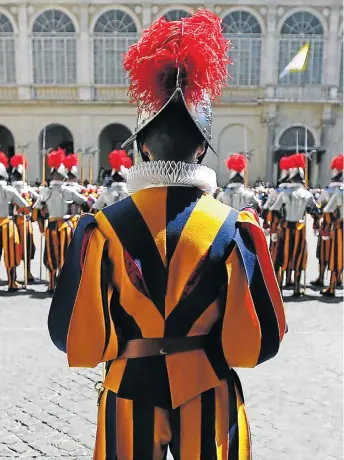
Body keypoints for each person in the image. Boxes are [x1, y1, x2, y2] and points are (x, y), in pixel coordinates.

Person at [49, 10, 286, 459]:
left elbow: (69, 335)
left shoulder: (100, 228)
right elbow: (259, 343)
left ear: (140, 146)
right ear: (202, 147)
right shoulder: (236, 228)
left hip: (129, 389)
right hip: (208, 387)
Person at [34, 149, 88, 293]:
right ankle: (64, 285)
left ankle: (51, 284)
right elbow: (84, 202)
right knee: (66, 255)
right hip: (66, 225)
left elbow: (37, 208)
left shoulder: (46, 191)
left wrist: (42, 218)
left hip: (51, 225)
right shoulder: (69, 190)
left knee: (51, 255)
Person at [270, 153, 318, 296]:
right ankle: (297, 288)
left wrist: (274, 226)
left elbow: (274, 211)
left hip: (284, 228)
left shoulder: (284, 193)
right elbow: (315, 211)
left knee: (281, 256)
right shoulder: (307, 194)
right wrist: (317, 223)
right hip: (300, 228)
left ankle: (279, 286)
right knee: (297, 256)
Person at [311, 154, 343, 290]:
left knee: (324, 252)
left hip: (328, 225)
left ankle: (322, 277)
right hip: (341, 226)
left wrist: (317, 221)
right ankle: (339, 278)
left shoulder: (329, 190)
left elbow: (319, 206)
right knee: (339, 253)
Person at [0, 151, 30, 290]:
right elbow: (25, 205)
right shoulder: (9, 190)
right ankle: (12, 282)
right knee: (11, 254)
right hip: (6, 223)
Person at [263, 156, 292, 286]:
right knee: (292, 253)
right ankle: (290, 279)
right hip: (295, 229)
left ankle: (276, 279)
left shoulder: (276, 192)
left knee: (277, 254)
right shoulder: (300, 191)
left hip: (279, 228)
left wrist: (267, 224)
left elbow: (267, 208)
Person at [10, 154, 39, 283]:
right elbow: (39, 199)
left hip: (14, 221)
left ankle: (15, 275)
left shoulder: (11, 187)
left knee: (16, 248)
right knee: (24, 248)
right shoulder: (26, 188)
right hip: (23, 221)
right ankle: (27, 273)